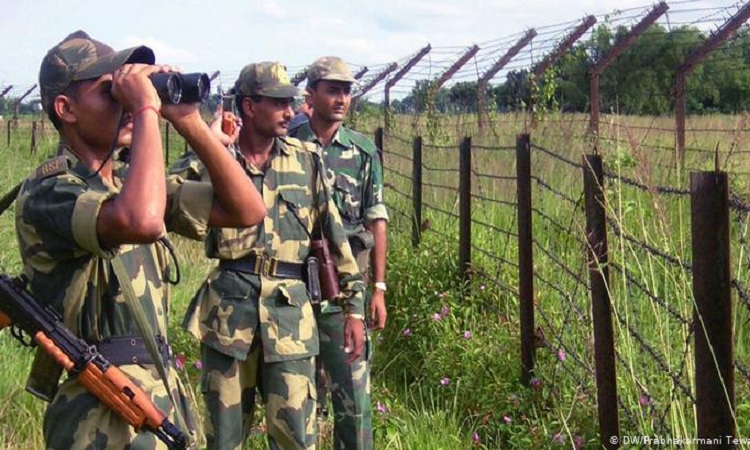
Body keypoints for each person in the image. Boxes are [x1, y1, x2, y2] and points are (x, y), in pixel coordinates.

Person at [15, 30, 266, 449]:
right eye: (109, 90)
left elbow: (247, 211)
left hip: (159, 398)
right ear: (66, 108)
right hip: (97, 412)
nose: (125, 101)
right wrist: (148, 110)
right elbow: (143, 220)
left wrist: (186, 120)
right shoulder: (52, 190)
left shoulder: (133, 187)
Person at [169, 61, 366, 450]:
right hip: (228, 318)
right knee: (223, 439)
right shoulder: (215, 158)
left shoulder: (306, 159)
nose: (289, 113)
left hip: (290, 318)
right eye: (278, 103)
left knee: (297, 437)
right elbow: (166, 191)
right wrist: (211, 145)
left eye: (289, 103)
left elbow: (335, 237)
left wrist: (354, 307)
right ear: (248, 106)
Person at [288, 56, 389, 450]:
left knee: (353, 395)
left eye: (346, 91)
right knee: (297, 397)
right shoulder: (289, 144)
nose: (342, 98)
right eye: (332, 90)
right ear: (310, 95)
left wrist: (377, 287)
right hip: (294, 288)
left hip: (346, 290)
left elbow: (376, 219)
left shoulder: (362, 152)